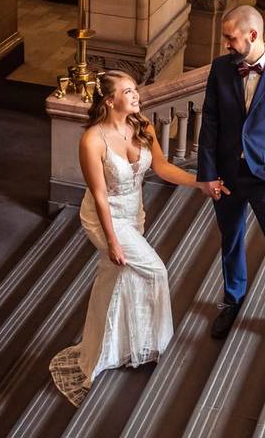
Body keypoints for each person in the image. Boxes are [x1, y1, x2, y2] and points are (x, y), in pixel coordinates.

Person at [49, 70, 203, 406]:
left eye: (136, 90)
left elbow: (161, 167)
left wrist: (199, 183)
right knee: (154, 270)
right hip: (105, 219)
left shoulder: (141, 125)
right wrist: (114, 243)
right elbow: (100, 196)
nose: (136, 96)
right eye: (129, 91)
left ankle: (111, 349)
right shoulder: (92, 140)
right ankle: (159, 345)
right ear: (109, 100)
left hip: (135, 214)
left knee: (117, 278)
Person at [197, 5, 265, 357]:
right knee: (231, 240)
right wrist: (208, 175)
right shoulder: (220, 69)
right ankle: (232, 300)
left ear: (253, 35)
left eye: (231, 38)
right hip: (227, 175)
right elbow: (211, 123)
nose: (226, 44)